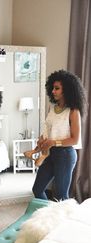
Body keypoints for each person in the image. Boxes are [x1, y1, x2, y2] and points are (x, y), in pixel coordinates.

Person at [28, 69, 86, 200]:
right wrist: (41, 140)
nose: (53, 91)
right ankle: (48, 215)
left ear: (67, 90)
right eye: (52, 88)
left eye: (57, 88)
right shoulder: (52, 108)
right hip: (50, 153)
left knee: (61, 196)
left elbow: (75, 140)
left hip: (65, 155)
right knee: (37, 189)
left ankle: (62, 220)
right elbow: (48, 129)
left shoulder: (73, 111)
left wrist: (54, 142)